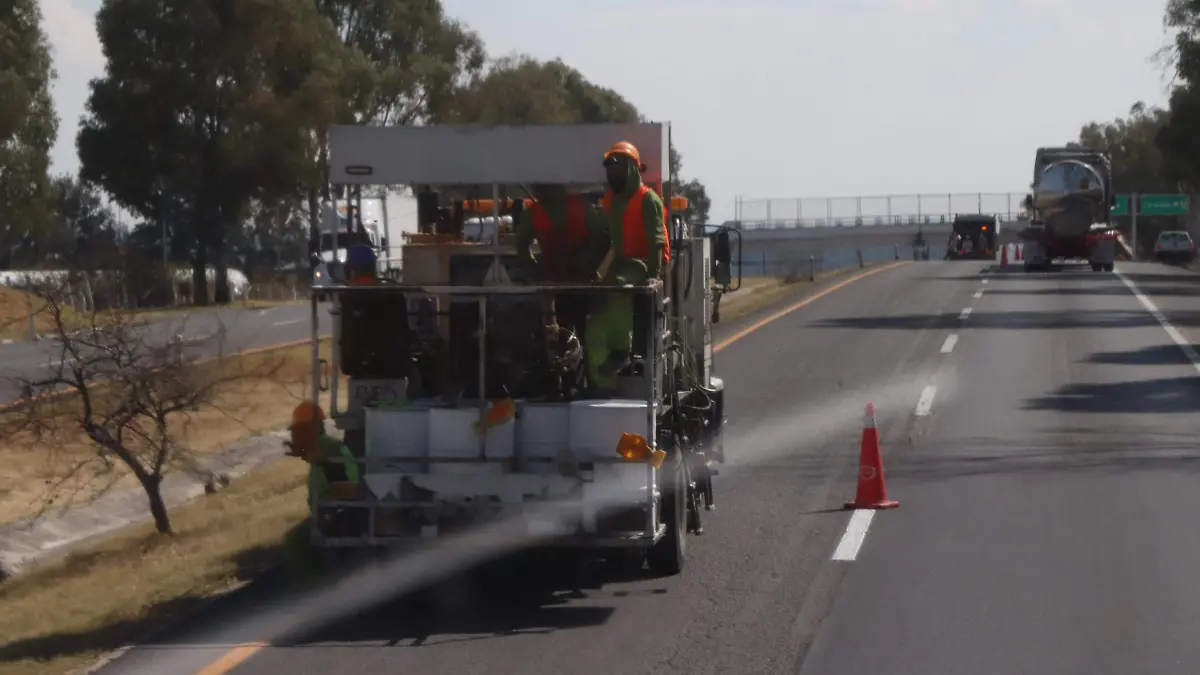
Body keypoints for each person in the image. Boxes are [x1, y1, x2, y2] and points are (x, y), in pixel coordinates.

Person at [585, 141, 670, 393]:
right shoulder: (611, 200)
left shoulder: (648, 200)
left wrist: (653, 276)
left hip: (645, 262)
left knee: (621, 287)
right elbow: (604, 235)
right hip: (623, 262)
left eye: (618, 169)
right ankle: (602, 384)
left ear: (632, 169)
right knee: (596, 304)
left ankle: (623, 349)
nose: (612, 175)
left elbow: (657, 242)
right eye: (609, 170)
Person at [515, 184, 609, 345]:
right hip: (578, 279)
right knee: (583, 327)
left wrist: (533, 268)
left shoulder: (534, 212)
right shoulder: (580, 206)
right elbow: (602, 238)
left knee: (559, 328)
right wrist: (588, 263)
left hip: (557, 279)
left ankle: (562, 354)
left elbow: (521, 246)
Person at [285, 401, 360, 503]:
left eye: (298, 430)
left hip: (336, 507)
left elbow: (338, 480)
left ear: (307, 427)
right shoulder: (327, 443)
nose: (295, 435)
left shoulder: (324, 445)